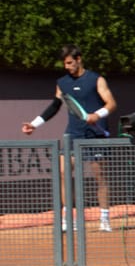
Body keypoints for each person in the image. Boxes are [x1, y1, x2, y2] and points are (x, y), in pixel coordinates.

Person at [21, 44, 117, 233]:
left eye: (70, 63)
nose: (67, 67)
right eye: (65, 63)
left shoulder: (96, 79)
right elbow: (55, 105)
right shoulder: (62, 83)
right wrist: (34, 124)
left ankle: (104, 218)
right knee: (64, 172)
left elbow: (111, 103)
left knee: (100, 177)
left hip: (96, 134)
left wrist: (97, 115)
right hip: (74, 133)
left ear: (79, 59)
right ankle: (68, 218)